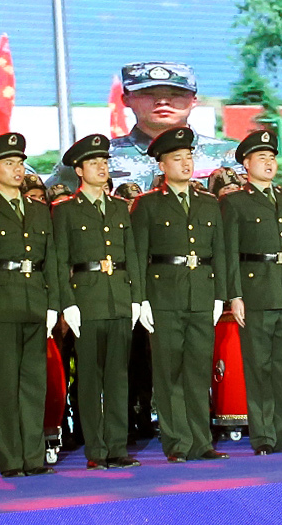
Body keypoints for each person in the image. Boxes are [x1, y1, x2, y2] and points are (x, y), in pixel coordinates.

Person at [131, 125, 227, 463]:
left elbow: (219, 251)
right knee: (169, 372)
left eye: (189, 157)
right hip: (165, 295)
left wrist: (220, 295)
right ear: (162, 165)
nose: (186, 164)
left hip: (201, 292)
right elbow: (138, 255)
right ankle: (177, 443)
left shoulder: (208, 203)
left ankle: (202, 441)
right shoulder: (147, 205)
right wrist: (141, 299)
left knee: (198, 371)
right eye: (177, 158)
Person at [0, 133, 59, 476]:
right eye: (9, 163)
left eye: (20, 163)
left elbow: (51, 261)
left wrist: (53, 304)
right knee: (4, 385)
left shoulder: (38, 210)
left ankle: (33, 457)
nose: (17, 170)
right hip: (0, 304)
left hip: (34, 300)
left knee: (34, 384)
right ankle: (11, 459)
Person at [221, 127, 282, 454]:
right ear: (246, 164)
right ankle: (263, 437)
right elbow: (230, 252)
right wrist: (235, 295)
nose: (269, 163)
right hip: (256, 292)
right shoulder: (235, 202)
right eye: (262, 157)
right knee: (259, 367)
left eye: (272, 157)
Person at [53, 133, 138, 468]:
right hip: (86, 299)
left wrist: (136, 298)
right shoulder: (65, 210)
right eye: (94, 163)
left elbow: (131, 255)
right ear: (79, 170)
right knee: (89, 378)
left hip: (118, 297)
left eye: (104, 162)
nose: (102, 168)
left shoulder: (118, 208)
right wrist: (67, 302)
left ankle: (117, 447)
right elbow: (60, 260)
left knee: (118, 377)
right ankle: (96, 450)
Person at [84, 61, 239, 194]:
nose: (163, 101)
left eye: (176, 93)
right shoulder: (93, 159)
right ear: (126, 99)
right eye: (148, 93)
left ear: (194, 100)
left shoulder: (233, 157)